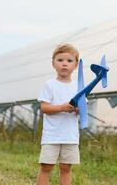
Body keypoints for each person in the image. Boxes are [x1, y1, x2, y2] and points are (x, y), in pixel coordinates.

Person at [36, 43, 80, 185]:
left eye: (69, 61)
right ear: (53, 64)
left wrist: (78, 110)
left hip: (70, 136)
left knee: (66, 167)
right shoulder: (50, 85)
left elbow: (82, 108)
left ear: (76, 65)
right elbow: (44, 107)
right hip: (52, 135)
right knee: (46, 166)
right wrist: (61, 107)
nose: (64, 64)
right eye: (60, 60)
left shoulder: (78, 87)